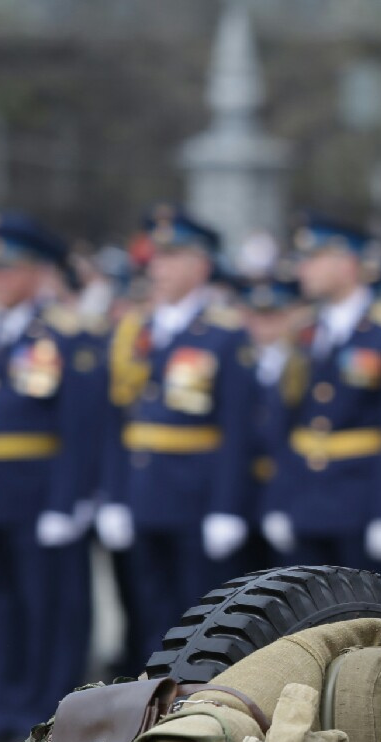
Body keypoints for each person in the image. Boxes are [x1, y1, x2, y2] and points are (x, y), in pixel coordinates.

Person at [0, 211, 104, 742]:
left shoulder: (63, 334)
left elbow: (81, 426)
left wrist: (69, 500)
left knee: (45, 609)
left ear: (37, 273)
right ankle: (4, 709)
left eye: (7, 269)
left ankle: (44, 715)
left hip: (38, 495)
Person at [97, 205, 257, 662]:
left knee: (200, 617)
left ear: (201, 266)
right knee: (149, 612)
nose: (158, 268)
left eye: (171, 258)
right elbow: (119, 423)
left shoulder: (224, 335)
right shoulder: (137, 330)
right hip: (143, 494)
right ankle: (151, 711)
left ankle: (198, 708)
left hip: (196, 498)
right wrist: (115, 495)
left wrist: (226, 506)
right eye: (155, 258)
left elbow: (236, 429)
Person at [259, 212, 381, 582]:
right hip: (306, 500)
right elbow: (285, 424)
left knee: (364, 622)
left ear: (347, 263)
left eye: (313, 259)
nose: (303, 269)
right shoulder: (304, 331)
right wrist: (280, 501)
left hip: (360, 503)